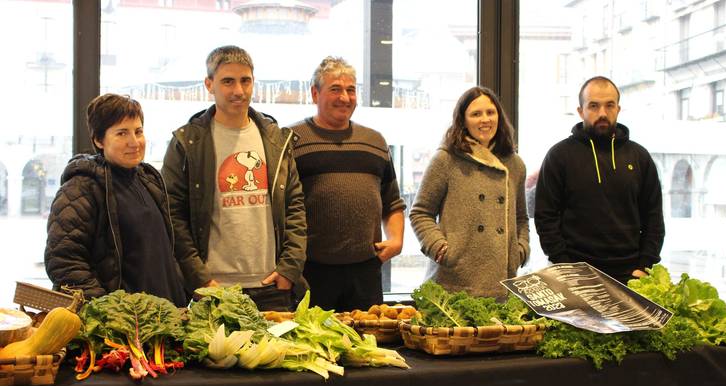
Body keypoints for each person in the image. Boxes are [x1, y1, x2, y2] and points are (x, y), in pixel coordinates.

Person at [161, 45, 307, 311]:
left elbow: (295, 206)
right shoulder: (187, 142)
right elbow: (173, 216)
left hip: (272, 286)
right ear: (209, 84)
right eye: (227, 81)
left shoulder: (276, 139)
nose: (238, 91)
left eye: (245, 81)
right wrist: (200, 277)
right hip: (214, 290)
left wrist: (289, 268)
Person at [45, 94, 188, 307]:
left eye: (138, 131)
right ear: (99, 140)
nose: (134, 142)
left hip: (164, 319)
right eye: (122, 133)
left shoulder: (149, 180)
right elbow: (64, 261)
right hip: (123, 327)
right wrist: (108, 313)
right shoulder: (81, 188)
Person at [289, 56, 406, 311]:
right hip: (311, 272)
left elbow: (393, 201)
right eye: (335, 89)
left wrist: (396, 240)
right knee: (314, 346)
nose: (344, 97)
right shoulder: (292, 141)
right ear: (314, 93)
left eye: (350, 90)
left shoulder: (375, 141)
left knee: (368, 346)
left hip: (366, 272)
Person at [534, 76, 665, 284]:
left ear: (618, 109)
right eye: (593, 106)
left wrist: (645, 265)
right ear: (580, 111)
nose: (602, 113)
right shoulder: (559, 156)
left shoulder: (640, 157)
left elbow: (654, 217)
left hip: (631, 277)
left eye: (609, 105)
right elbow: (545, 217)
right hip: (575, 276)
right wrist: (565, 266)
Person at [410, 86, 530, 298]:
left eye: (490, 112)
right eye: (476, 114)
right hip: (455, 279)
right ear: (463, 120)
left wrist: (520, 251)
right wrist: (439, 248)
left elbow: (521, 218)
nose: (485, 119)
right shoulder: (446, 159)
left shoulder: (515, 164)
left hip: (502, 281)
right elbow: (420, 212)